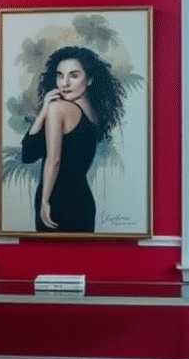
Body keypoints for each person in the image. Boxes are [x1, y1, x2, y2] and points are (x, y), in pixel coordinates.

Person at [21, 45, 125, 232]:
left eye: (74, 75)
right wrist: (44, 110)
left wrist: (45, 201)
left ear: (90, 79)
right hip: (82, 202)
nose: (64, 83)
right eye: (60, 75)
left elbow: (53, 160)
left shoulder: (60, 108)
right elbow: (29, 155)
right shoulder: (92, 112)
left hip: (57, 200)